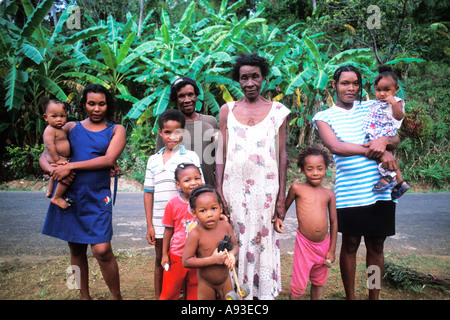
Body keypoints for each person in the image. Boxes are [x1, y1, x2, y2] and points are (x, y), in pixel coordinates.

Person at [313, 65, 400, 300]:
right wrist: (379, 150)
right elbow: (336, 147)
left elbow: (396, 135)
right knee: (350, 245)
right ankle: (350, 297)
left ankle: (374, 297)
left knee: (376, 247)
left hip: (380, 189)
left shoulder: (373, 106)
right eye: (345, 83)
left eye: (355, 83)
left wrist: (383, 140)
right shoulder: (324, 117)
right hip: (350, 191)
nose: (351, 88)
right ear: (335, 85)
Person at [39, 83, 126, 300]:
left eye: (102, 104)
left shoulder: (116, 129)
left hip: (98, 196)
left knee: (102, 250)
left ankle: (117, 297)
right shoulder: (70, 127)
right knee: (76, 250)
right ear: (84, 104)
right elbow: (45, 154)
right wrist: (54, 169)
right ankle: (83, 296)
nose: (96, 109)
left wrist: (70, 166)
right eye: (91, 103)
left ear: (108, 104)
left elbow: (108, 159)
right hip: (71, 195)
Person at [216, 53, 290, 300]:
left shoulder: (277, 111)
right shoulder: (227, 110)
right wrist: (218, 188)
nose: (250, 83)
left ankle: (261, 293)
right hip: (232, 188)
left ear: (264, 78)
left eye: (255, 77)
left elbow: (282, 155)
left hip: (266, 189)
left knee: (262, 238)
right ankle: (235, 292)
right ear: (238, 80)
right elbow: (220, 153)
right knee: (235, 236)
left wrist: (280, 198)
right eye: (244, 78)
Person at [143, 109, 203, 299]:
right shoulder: (153, 160)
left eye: (177, 131)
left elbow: (199, 189)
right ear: (160, 132)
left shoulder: (191, 157)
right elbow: (148, 193)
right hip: (161, 223)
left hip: (187, 222)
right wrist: (150, 225)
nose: (172, 136)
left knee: (188, 261)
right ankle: (161, 295)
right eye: (167, 132)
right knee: (161, 260)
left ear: (183, 133)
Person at [285, 144, 337, 300]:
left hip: (324, 245)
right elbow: (283, 208)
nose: (315, 173)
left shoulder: (329, 194)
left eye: (320, 168)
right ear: (302, 169)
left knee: (319, 282)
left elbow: (334, 222)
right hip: (304, 245)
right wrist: (278, 220)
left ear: (326, 169)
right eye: (310, 169)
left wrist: (332, 249)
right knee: (299, 284)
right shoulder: (297, 188)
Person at [156, 77, 219, 187]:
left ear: (196, 96)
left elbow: (220, 158)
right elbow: (160, 161)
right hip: (178, 191)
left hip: (208, 189)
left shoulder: (210, 122)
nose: (187, 100)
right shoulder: (169, 127)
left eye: (190, 94)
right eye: (181, 96)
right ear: (176, 99)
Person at [182, 185, 238, 300]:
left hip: (225, 280)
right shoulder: (195, 234)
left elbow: (235, 246)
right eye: (203, 210)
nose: (209, 214)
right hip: (206, 283)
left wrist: (232, 254)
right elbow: (186, 261)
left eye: (214, 208)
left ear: (221, 208)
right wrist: (213, 260)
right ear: (194, 212)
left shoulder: (225, 226)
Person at [363, 65, 410, 199]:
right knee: (383, 155)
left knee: (377, 153)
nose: (382, 93)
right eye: (378, 90)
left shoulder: (397, 102)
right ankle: (400, 183)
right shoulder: (376, 102)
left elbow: (399, 116)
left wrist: (393, 103)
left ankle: (389, 176)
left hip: (385, 132)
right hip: (376, 132)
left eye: (387, 90)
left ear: (396, 90)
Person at [159, 163, 203, 300]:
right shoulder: (173, 204)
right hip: (177, 256)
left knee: (195, 290)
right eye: (187, 180)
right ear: (178, 185)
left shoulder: (205, 202)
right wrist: (164, 255)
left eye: (197, 178)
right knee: (170, 291)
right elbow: (168, 231)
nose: (193, 183)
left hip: (199, 257)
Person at [41, 98, 71, 209]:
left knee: (54, 176)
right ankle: (57, 196)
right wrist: (57, 159)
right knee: (66, 176)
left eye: (62, 116)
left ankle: (50, 192)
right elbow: (49, 146)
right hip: (57, 158)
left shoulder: (61, 129)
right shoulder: (50, 130)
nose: (59, 119)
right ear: (45, 117)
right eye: (54, 116)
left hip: (60, 157)